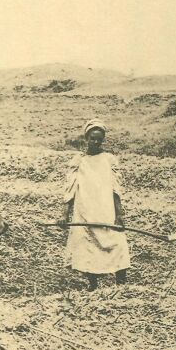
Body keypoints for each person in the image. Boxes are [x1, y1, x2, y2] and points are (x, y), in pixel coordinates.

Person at [59, 120, 129, 291]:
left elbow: (115, 190)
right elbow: (70, 191)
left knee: (118, 244)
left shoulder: (109, 160)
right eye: (93, 139)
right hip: (85, 211)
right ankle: (93, 285)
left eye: (100, 139)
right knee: (88, 247)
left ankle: (121, 285)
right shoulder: (79, 161)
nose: (96, 142)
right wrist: (64, 214)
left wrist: (119, 215)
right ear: (86, 138)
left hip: (106, 211)